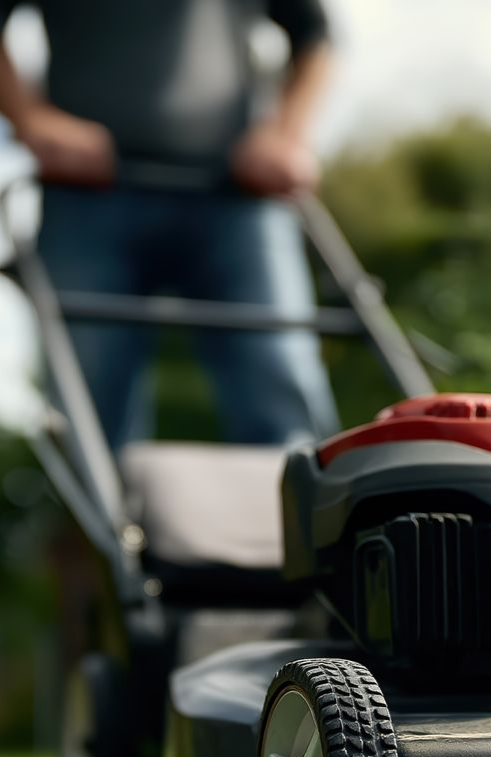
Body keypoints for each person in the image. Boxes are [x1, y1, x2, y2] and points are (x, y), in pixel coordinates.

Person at [0, 0, 341, 448]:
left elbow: (316, 34)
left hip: (236, 197)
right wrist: (31, 118)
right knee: (87, 406)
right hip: (86, 197)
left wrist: (286, 135)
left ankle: (303, 511)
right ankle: (96, 519)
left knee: (279, 377)